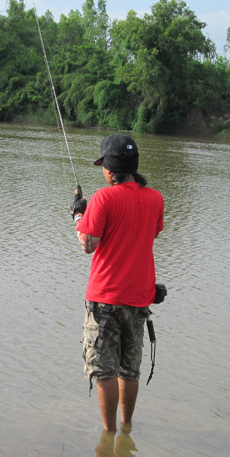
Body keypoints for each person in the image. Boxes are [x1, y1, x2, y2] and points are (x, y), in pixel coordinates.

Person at [69, 134, 164, 434]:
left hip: (106, 298)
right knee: (130, 369)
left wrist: (78, 214)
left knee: (105, 369)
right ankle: (126, 429)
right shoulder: (155, 198)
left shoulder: (104, 198)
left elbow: (88, 244)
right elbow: (152, 233)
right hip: (140, 298)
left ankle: (108, 436)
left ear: (109, 170)